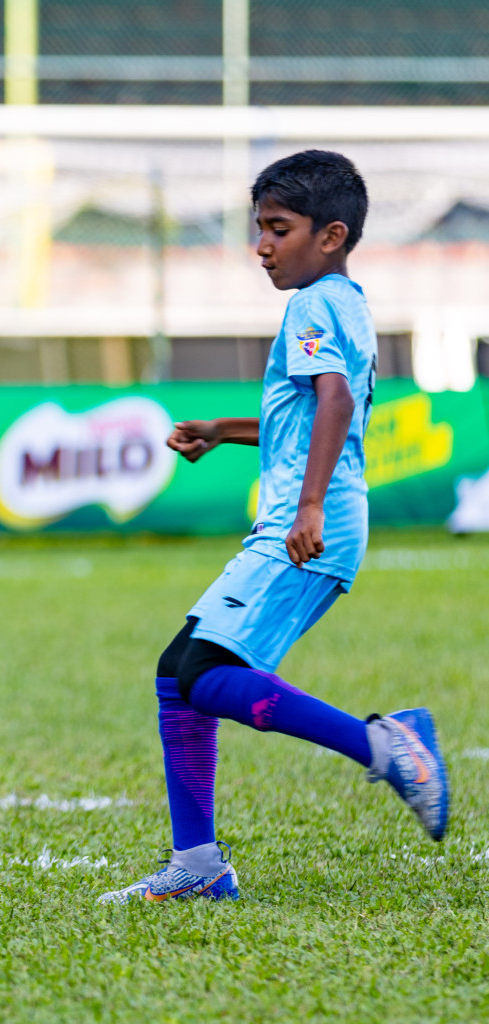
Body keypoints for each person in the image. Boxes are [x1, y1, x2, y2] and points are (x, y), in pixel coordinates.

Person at [99, 151, 449, 904]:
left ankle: (388, 748)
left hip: (308, 522)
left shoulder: (314, 303)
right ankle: (198, 865)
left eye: (276, 229)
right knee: (177, 675)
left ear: (330, 235)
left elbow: (335, 404)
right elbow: (307, 411)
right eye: (258, 227)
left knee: (199, 675)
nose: (260, 244)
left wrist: (310, 506)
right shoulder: (344, 300)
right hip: (311, 515)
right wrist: (225, 430)